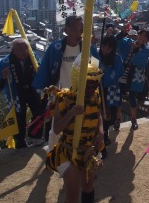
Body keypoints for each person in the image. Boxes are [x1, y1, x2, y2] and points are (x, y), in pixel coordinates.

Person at [46, 56, 105, 203]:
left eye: (95, 83)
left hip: (89, 150)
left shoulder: (95, 96)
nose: (93, 87)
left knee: (88, 185)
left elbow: (98, 116)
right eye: (89, 84)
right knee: (72, 193)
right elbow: (57, 128)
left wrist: (101, 133)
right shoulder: (63, 98)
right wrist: (71, 113)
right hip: (68, 150)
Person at [0, 38, 43, 148]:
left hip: (33, 90)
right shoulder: (5, 62)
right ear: (13, 50)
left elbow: (41, 70)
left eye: (26, 49)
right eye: (20, 49)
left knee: (39, 112)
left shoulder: (33, 57)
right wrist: (4, 77)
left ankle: (35, 137)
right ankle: (20, 141)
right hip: (16, 93)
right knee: (18, 117)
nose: (24, 52)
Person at [33, 15, 99, 91]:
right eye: (75, 30)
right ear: (66, 30)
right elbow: (44, 72)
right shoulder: (55, 48)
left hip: (83, 97)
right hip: (59, 96)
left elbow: (97, 71)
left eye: (81, 30)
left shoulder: (88, 48)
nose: (78, 34)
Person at [119, 29, 149, 130]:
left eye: (145, 37)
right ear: (137, 35)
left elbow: (142, 63)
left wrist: (137, 50)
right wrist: (122, 33)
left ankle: (133, 119)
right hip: (123, 73)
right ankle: (118, 118)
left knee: (133, 97)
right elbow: (117, 43)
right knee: (119, 96)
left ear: (147, 40)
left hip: (135, 76)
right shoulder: (128, 42)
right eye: (141, 35)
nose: (142, 38)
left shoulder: (146, 49)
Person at [98, 35, 124, 159]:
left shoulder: (117, 58)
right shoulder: (96, 56)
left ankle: (105, 134)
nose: (104, 49)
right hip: (98, 90)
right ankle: (101, 140)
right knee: (99, 116)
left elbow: (118, 71)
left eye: (108, 48)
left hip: (111, 90)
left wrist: (106, 76)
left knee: (109, 115)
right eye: (103, 46)